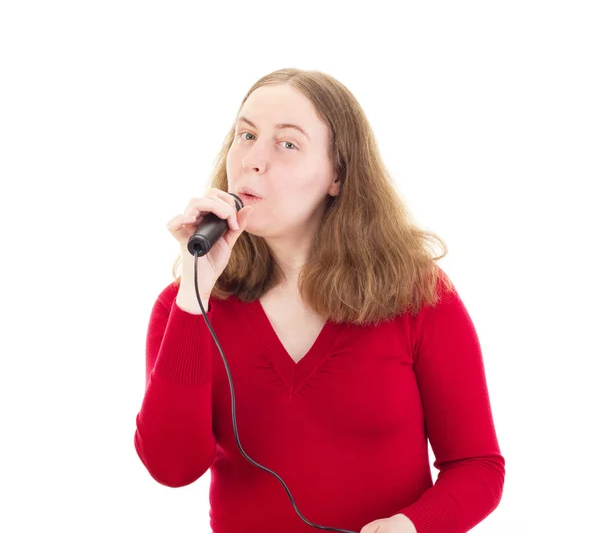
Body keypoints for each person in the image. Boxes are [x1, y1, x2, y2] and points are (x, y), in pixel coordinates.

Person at [133, 68, 505, 533]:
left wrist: (411, 526)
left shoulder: (419, 295)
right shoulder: (183, 306)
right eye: (245, 135)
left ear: (338, 175)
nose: (253, 160)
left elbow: (477, 465)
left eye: (287, 144)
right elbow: (172, 469)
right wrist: (194, 294)